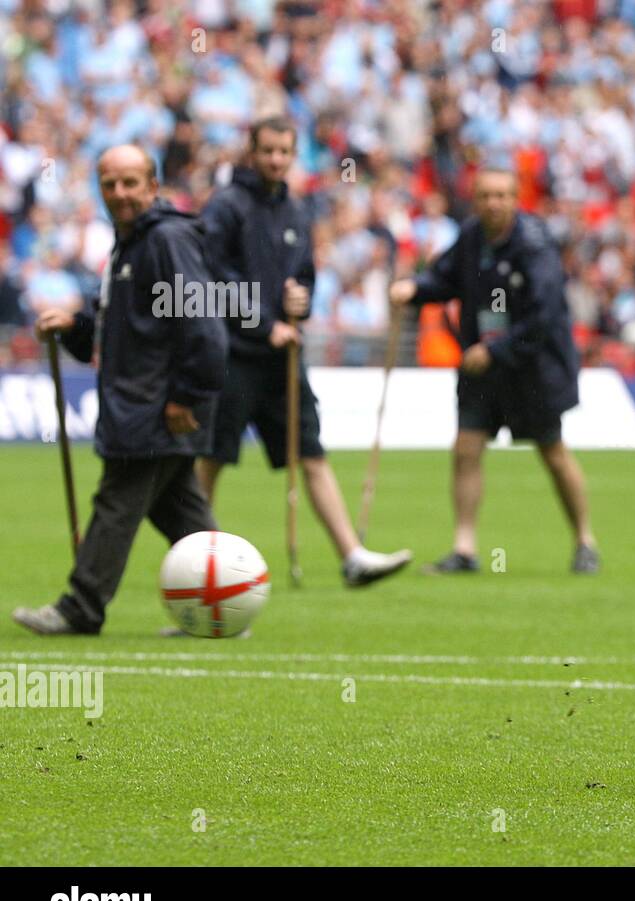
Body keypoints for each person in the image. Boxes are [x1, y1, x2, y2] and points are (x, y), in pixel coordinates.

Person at [13, 145, 228, 635]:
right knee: (178, 509)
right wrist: (73, 325)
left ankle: (81, 607)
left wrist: (185, 397)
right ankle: (224, 603)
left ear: (153, 186)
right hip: (142, 402)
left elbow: (205, 326)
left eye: (131, 182)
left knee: (117, 501)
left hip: (156, 406)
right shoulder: (129, 243)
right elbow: (123, 327)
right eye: (110, 183)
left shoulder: (166, 240)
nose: (120, 193)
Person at [198, 116, 411, 587]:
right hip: (233, 355)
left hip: (283, 356)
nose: (276, 159)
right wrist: (264, 321)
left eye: (284, 152)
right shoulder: (226, 206)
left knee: (312, 454)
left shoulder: (295, 210)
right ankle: (196, 561)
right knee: (211, 460)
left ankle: (352, 556)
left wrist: (301, 301)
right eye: (268, 150)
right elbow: (211, 276)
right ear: (251, 152)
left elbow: (306, 276)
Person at [388, 168, 599, 574]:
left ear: (515, 198)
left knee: (553, 453)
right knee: (466, 449)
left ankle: (585, 541)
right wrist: (414, 289)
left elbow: (545, 314)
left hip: (531, 367)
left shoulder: (535, 245)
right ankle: (464, 549)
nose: (493, 203)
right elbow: (442, 278)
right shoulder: (471, 237)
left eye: (501, 195)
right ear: (475, 198)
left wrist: (497, 350)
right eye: (485, 195)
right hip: (481, 367)